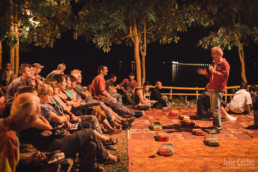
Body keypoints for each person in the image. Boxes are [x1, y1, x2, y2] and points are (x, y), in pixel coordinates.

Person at [0, 93, 48, 172]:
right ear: (28, 118)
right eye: (38, 114)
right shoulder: (9, 139)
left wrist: (29, 159)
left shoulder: (2, 123)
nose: (39, 117)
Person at [198, 46, 230, 134]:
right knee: (213, 108)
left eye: (213, 53)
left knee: (216, 109)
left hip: (219, 88)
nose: (211, 55)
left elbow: (225, 76)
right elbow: (211, 76)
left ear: (219, 54)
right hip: (212, 87)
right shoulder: (213, 63)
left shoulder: (224, 64)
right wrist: (205, 73)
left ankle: (217, 128)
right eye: (211, 53)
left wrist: (213, 72)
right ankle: (216, 125)